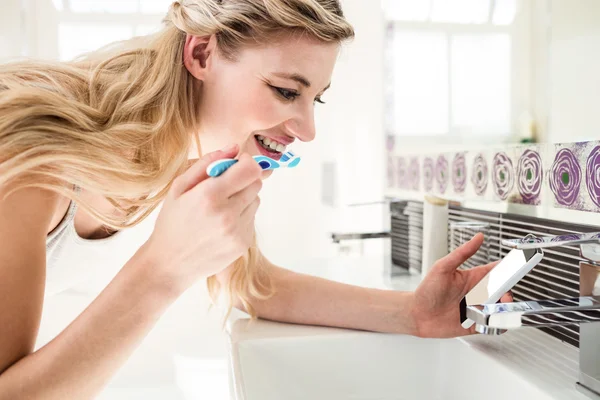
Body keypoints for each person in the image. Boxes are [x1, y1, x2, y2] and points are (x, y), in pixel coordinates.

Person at [0, 0, 507, 398]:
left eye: (316, 98)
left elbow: (254, 284)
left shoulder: (183, 145)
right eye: (288, 91)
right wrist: (162, 272)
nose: (307, 130)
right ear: (201, 54)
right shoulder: (31, 160)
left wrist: (413, 313)